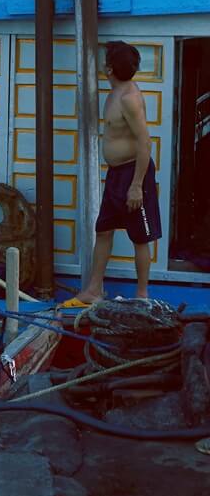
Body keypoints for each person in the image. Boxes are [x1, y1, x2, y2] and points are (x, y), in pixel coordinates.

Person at [77, 40, 162, 303]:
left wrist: (136, 185)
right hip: (116, 175)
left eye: (106, 61)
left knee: (140, 237)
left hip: (135, 174)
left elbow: (145, 142)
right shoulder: (115, 92)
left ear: (110, 68)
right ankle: (94, 290)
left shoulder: (129, 99)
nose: (103, 65)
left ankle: (142, 296)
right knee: (103, 230)